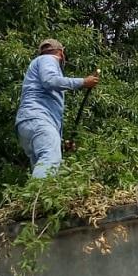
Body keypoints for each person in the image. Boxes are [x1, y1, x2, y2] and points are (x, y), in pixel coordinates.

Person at [15, 39, 99, 178]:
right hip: (38, 118)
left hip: (28, 123)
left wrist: (59, 144)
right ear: (61, 53)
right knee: (50, 157)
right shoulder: (48, 59)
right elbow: (50, 81)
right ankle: (39, 196)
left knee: (43, 166)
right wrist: (83, 82)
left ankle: (35, 196)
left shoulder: (38, 63)